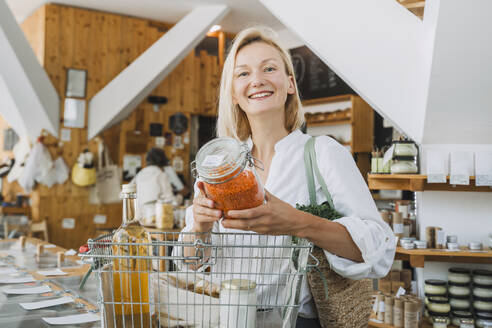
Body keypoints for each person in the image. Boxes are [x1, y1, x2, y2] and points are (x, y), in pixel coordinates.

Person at [181, 26, 396, 327]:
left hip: (295, 321)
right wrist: (200, 227)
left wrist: (298, 222)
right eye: (243, 74)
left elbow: (379, 247)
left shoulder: (322, 153)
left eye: (269, 68)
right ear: (233, 93)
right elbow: (190, 263)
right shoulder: (220, 166)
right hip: (225, 317)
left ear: (290, 84)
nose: (257, 80)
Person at [132, 148, 178, 219]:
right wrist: (180, 198)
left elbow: (122, 194)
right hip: (155, 216)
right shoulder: (161, 175)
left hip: (139, 216)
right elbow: (171, 200)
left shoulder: (140, 174)